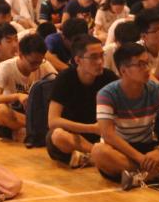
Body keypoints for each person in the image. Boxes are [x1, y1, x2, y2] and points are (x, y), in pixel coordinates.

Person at [91, 42, 159, 186]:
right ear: (123, 70)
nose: (147, 69)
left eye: (147, 63)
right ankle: (158, 173)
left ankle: (137, 176)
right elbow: (107, 134)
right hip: (121, 150)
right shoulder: (106, 94)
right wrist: (140, 159)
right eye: (140, 65)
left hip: (148, 148)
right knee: (98, 151)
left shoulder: (156, 89)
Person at [47, 35, 118, 168]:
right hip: (73, 135)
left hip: (101, 137)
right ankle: (98, 155)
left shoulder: (108, 77)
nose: (100, 62)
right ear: (78, 60)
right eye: (93, 57)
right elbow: (53, 121)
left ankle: (88, 158)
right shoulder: (65, 78)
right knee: (58, 136)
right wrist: (92, 128)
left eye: (101, 56)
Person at [0, 33, 56, 141]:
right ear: (20, 55)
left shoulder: (44, 65)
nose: (36, 66)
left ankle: (34, 130)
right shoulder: (5, 67)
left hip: (34, 115)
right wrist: (17, 96)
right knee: (1, 111)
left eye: (40, 62)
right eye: (32, 63)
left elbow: (59, 88)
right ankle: (37, 129)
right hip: (13, 118)